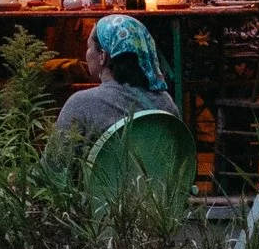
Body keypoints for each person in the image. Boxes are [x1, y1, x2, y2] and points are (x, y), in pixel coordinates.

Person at [46, 12, 186, 166]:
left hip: (98, 190)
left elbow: (53, 167)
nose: (85, 54)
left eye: (88, 47)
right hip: (156, 190)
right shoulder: (165, 104)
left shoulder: (81, 104)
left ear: (102, 56)